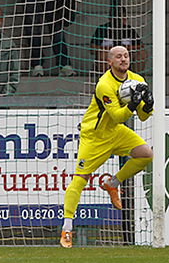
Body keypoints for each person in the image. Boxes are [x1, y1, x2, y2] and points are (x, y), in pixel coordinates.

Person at [59, 46, 154, 248]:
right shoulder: (104, 84)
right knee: (80, 179)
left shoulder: (137, 80)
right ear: (109, 61)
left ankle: (112, 183)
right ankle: (67, 228)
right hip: (94, 136)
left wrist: (147, 105)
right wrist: (132, 105)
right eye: (118, 56)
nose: (123, 59)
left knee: (145, 154)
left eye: (126, 56)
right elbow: (118, 115)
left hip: (115, 132)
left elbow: (144, 117)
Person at [91, 7, 147, 74]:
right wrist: (107, 49)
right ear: (110, 18)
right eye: (118, 18)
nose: (121, 20)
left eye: (123, 17)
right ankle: (106, 76)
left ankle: (135, 76)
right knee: (102, 53)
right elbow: (92, 48)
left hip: (126, 57)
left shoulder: (129, 30)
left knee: (142, 53)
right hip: (109, 58)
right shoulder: (102, 29)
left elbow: (140, 46)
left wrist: (126, 48)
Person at [0, 5, 20, 96]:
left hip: (2, 102)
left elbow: (15, 74)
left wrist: (4, 95)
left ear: (1, 20)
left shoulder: (9, 45)